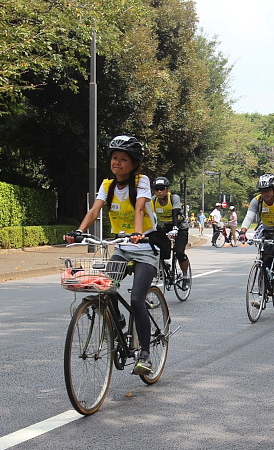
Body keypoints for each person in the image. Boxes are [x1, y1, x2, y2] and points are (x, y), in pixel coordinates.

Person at [63, 135, 157, 375]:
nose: (117, 163)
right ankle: (120, 323)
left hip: (145, 249)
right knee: (104, 285)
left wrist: (138, 232)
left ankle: (145, 355)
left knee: (137, 300)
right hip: (124, 248)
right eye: (114, 158)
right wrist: (79, 231)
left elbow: (138, 208)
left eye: (123, 159)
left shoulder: (141, 181)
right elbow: (94, 210)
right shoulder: (107, 185)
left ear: (134, 164)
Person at [239, 173, 274, 286]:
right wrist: (242, 232)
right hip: (267, 231)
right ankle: (262, 293)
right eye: (262, 191)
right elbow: (249, 217)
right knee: (265, 262)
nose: (265, 194)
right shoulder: (257, 201)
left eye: (268, 191)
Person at [152, 176, 191, 288]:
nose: (159, 191)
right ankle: (164, 263)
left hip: (180, 225)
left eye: (162, 188)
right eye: (157, 189)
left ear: (167, 189)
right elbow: (149, 215)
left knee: (179, 252)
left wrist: (175, 228)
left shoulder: (174, 198)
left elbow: (175, 212)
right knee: (154, 245)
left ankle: (185, 276)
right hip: (165, 225)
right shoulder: (153, 200)